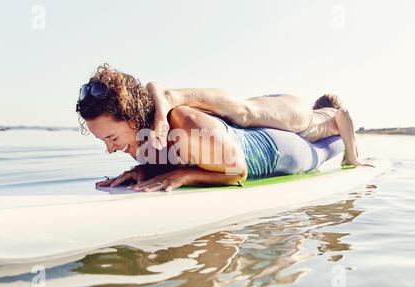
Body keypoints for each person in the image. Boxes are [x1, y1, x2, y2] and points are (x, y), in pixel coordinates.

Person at [76, 64, 345, 192]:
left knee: (323, 150)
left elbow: (238, 172)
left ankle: (339, 128)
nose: (110, 149)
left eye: (111, 138)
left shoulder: (186, 124)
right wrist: (142, 170)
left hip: (277, 151)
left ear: (134, 119)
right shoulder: (145, 142)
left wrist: (184, 176)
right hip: (256, 138)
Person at [147, 83, 371, 167]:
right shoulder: (330, 113)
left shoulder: (316, 112)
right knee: (243, 112)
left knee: (233, 120)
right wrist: (353, 157)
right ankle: (170, 95)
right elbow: (345, 114)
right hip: (302, 119)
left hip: (292, 116)